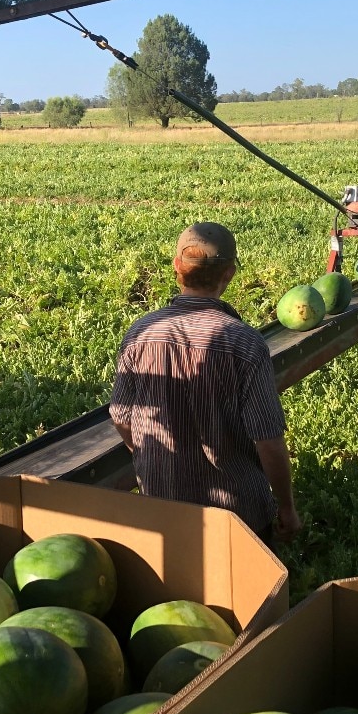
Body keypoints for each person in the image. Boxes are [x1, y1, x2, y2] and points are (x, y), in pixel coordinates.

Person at [110, 221, 302, 546]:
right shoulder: (244, 343)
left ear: (176, 268)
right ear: (228, 274)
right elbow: (268, 440)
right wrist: (287, 508)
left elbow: (120, 416)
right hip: (237, 517)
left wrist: (150, 460)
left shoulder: (140, 333)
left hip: (163, 507)